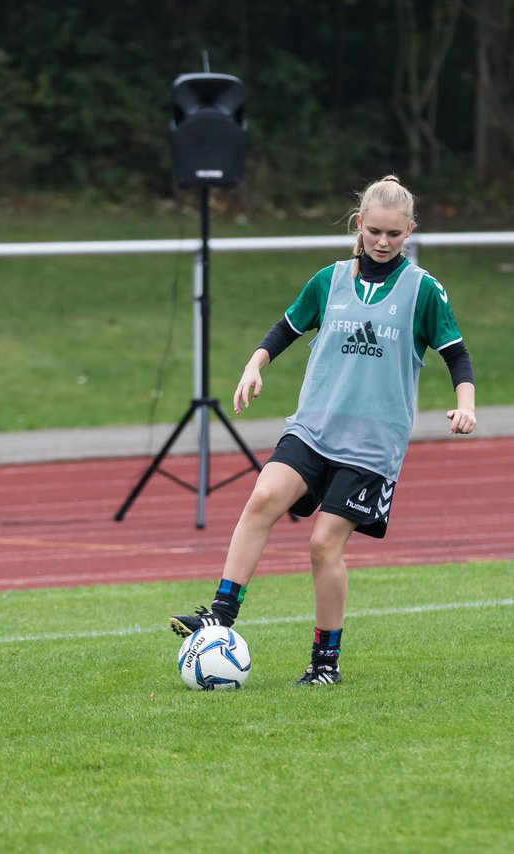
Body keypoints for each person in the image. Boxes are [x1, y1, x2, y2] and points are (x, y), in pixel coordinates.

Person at [169, 175, 477, 685]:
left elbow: (457, 356)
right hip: (313, 427)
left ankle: (324, 664)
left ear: (410, 232)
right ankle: (221, 614)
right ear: (359, 225)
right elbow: (286, 327)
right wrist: (255, 364)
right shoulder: (328, 280)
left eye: (394, 234)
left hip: (372, 446)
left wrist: (465, 405)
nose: (383, 242)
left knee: (322, 544)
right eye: (374, 230)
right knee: (262, 497)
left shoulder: (423, 290)